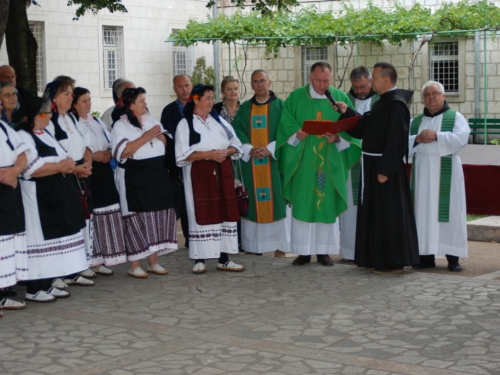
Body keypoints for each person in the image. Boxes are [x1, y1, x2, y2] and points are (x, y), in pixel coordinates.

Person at [337, 62, 419, 275]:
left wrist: (386, 169)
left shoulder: (396, 104)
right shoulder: (383, 102)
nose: (371, 81)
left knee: (389, 214)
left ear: (386, 79)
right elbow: (365, 127)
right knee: (377, 214)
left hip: (384, 168)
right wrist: (347, 112)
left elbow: (396, 139)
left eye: (373, 77)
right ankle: (376, 256)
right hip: (373, 164)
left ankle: (394, 261)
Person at [276, 61, 357, 267]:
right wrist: (297, 134)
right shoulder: (296, 98)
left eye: (326, 81)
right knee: (304, 203)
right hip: (303, 163)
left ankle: (324, 252)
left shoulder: (340, 98)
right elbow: (285, 126)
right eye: (319, 81)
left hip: (329, 162)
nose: (323, 85)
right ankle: (303, 252)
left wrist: (338, 139)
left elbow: (354, 129)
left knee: (326, 204)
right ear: (310, 78)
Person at [17, 96, 88, 302]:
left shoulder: (46, 133)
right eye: (48, 113)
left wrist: (74, 167)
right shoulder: (24, 136)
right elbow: (31, 168)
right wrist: (60, 167)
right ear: (38, 115)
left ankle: (47, 282)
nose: (51, 116)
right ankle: (34, 287)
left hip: (55, 193)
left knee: (56, 238)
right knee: (39, 239)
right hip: (37, 197)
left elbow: (62, 157)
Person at [175, 84, 245, 274]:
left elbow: (236, 145)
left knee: (224, 212)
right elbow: (182, 155)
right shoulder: (186, 124)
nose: (210, 101)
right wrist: (208, 155)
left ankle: (224, 258)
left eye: (211, 98)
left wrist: (225, 152)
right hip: (200, 175)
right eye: (206, 97)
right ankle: (200, 259)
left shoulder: (219, 121)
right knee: (201, 213)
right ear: (195, 99)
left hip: (222, 172)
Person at [111, 87, 178, 278]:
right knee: (136, 218)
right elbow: (122, 153)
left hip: (156, 176)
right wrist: (145, 137)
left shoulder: (151, 120)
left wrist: (159, 137)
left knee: (153, 217)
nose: (145, 103)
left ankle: (153, 262)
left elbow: (168, 141)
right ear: (130, 104)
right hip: (134, 177)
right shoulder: (121, 125)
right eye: (141, 100)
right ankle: (134, 264)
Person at [409, 81, 470, 272]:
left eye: (435, 93)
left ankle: (453, 258)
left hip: (447, 173)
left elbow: (462, 139)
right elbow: (402, 143)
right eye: (427, 95)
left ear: (444, 96)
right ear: (423, 99)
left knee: (450, 213)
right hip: (422, 174)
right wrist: (417, 139)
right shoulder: (416, 122)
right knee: (422, 212)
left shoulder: (455, 117)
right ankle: (425, 257)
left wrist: (437, 136)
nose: (431, 97)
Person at [45, 79, 96, 286]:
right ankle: (58, 272)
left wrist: (86, 164)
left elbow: (84, 146)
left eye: (71, 93)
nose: (70, 97)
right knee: (63, 224)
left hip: (78, 172)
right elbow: (52, 153)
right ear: (54, 97)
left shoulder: (71, 119)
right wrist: (75, 168)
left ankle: (75, 267)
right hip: (61, 175)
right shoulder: (50, 121)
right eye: (66, 93)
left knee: (77, 222)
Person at [231, 70, 288, 256]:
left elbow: (286, 129)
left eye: (263, 81)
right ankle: (255, 247)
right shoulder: (245, 108)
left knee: (276, 201)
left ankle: (280, 246)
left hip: (273, 163)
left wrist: (271, 149)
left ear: (269, 82)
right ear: (251, 84)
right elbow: (236, 128)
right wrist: (249, 148)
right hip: (252, 164)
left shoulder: (280, 106)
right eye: (255, 82)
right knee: (254, 202)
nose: (260, 85)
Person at [72, 87, 127, 274]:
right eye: (84, 101)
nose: (88, 104)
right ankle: (90, 259)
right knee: (92, 213)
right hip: (88, 172)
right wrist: (94, 157)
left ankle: (103, 256)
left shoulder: (95, 120)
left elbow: (109, 140)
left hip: (104, 171)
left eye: (89, 100)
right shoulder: (73, 123)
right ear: (75, 104)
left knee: (106, 210)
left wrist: (108, 152)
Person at [339, 66, 378, 261]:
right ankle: (350, 251)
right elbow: (340, 128)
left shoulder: (381, 101)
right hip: (350, 159)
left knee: (375, 205)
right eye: (356, 87)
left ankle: (373, 250)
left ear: (370, 82)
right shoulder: (345, 100)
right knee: (351, 206)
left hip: (375, 161)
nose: (360, 91)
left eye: (363, 86)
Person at [0, 101, 29, 311]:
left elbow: (22, 153)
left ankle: (2, 289)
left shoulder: (4, 127)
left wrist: (16, 171)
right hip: (3, 180)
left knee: (8, 237)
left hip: (9, 183)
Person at [160, 74, 193, 248]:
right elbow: (170, 139)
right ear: (174, 89)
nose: (184, 90)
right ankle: (185, 239)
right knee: (183, 203)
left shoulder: (199, 107)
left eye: (187, 85)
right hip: (178, 165)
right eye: (180, 86)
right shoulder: (168, 111)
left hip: (198, 161)